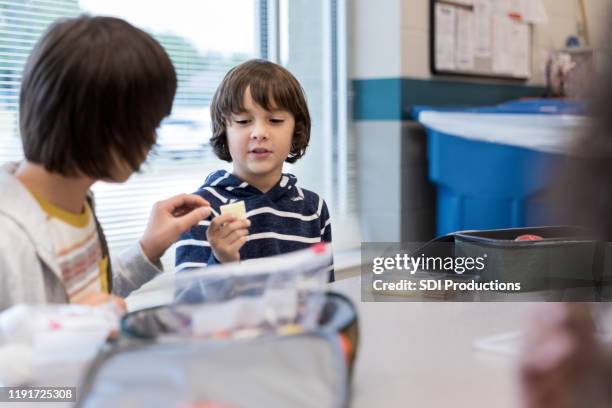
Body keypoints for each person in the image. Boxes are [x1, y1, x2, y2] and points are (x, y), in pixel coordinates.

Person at [0, 16, 211, 312]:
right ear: (96, 126)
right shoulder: (7, 236)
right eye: (148, 125)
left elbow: (91, 300)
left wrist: (149, 247)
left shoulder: (78, 205)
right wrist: (72, 332)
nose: (152, 141)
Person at [174, 59, 334, 281]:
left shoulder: (313, 209)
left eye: (275, 120)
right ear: (224, 130)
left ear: (296, 129)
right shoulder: (200, 211)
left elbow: (323, 298)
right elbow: (187, 307)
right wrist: (221, 260)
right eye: (243, 121)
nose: (259, 132)